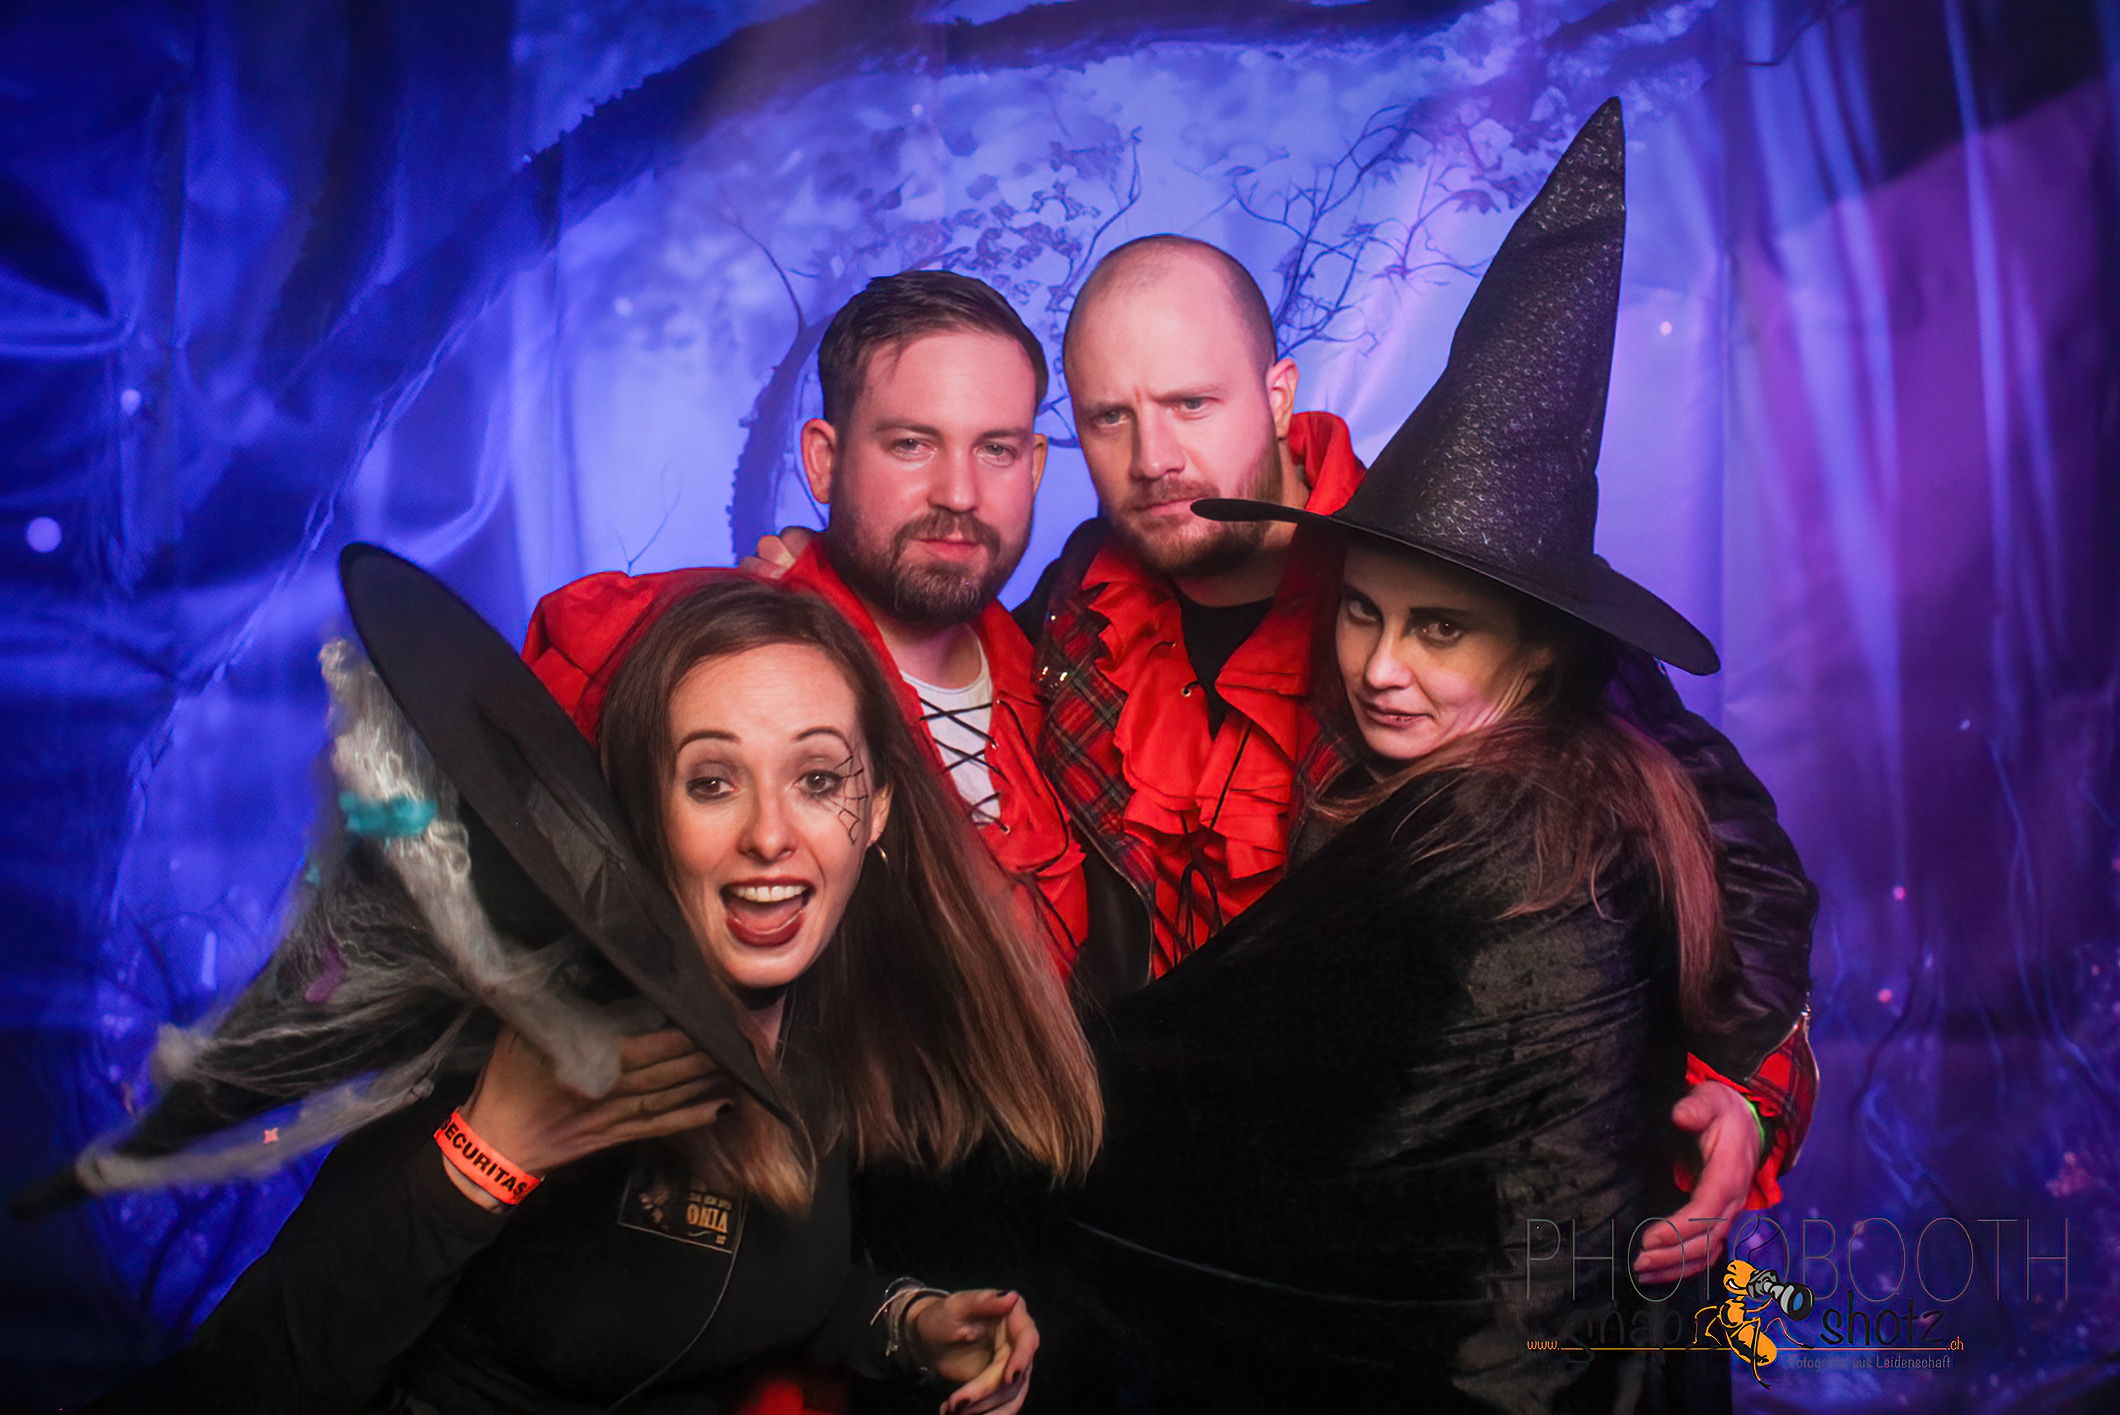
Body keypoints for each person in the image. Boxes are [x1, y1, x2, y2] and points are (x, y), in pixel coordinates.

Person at [1054, 97, 1755, 1410]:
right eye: (1107, 415)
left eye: (1191, 401)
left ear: (1276, 394)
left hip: (1416, 1252)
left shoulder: (1460, 553)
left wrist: (1738, 1082)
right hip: (1175, 1236)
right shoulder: (1063, 626)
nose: (1154, 458)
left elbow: (1712, 847)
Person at [84, 563, 1101, 1415]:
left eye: (818, 778)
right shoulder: (525, 1025)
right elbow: (248, 1381)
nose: (769, 833)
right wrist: (491, 1150)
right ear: (646, 814)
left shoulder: (825, 1038)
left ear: (874, 812)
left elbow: (756, 1281)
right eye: (712, 780)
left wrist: (904, 1322)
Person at [524, 271, 1090, 985]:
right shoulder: (689, 652)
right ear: (823, 462)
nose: (959, 493)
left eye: (995, 450)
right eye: (912, 444)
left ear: (1033, 468)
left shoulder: (1063, 677)